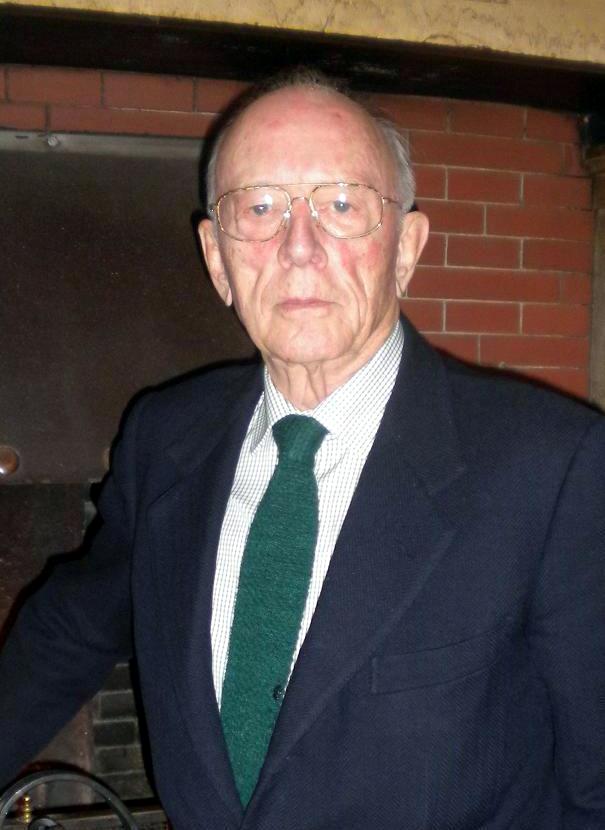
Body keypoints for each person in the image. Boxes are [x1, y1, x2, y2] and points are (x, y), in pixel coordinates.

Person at [1, 69, 604, 829]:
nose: (298, 247)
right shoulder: (166, 437)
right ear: (216, 259)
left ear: (405, 248)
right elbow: (71, 630)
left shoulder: (555, 470)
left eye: (342, 205)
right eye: (259, 208)